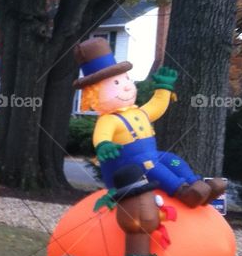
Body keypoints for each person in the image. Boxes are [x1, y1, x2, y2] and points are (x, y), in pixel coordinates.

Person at [74, 37, 226, 208]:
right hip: (127, 166)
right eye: (116, 82)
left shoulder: (138, 112)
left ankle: (196, 184)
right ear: (94, 94)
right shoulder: (109, 119)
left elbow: (156, 106)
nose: (126, 86)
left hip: (151, 156)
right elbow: (101, 135)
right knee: (151, 166)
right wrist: (104, 145)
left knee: (172, 159)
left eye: (126, 79)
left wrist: (163, 89)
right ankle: (182, 191)